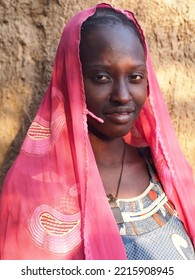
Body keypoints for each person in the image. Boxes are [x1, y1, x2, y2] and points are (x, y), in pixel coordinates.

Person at [0, 3, 195, 260]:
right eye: (102, 77)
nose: (123, 96)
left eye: (135, 77)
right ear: (71, 80)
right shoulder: (31, 192)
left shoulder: (166, 175)